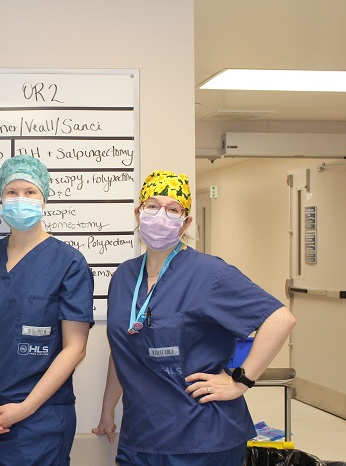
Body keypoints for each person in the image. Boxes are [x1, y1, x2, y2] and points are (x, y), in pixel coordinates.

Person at [92, 170, 297, 466]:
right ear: (138, 213)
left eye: (173, 209)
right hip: (141, 436)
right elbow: (123, 348)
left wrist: (239, 380)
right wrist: (107, 409)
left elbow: (281, 319)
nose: (161, 214)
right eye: (152, 205)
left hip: (203, 439)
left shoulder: (210, 273)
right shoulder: (124, 274)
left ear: (185, 222)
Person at [0, 155, 95, 466]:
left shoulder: (69, 263)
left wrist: (25, 408)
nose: (20, 199)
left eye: (30, 192)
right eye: (12, 192)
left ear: (44, 199)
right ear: (2, 196)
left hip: (39, 422)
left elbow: (75, 348)